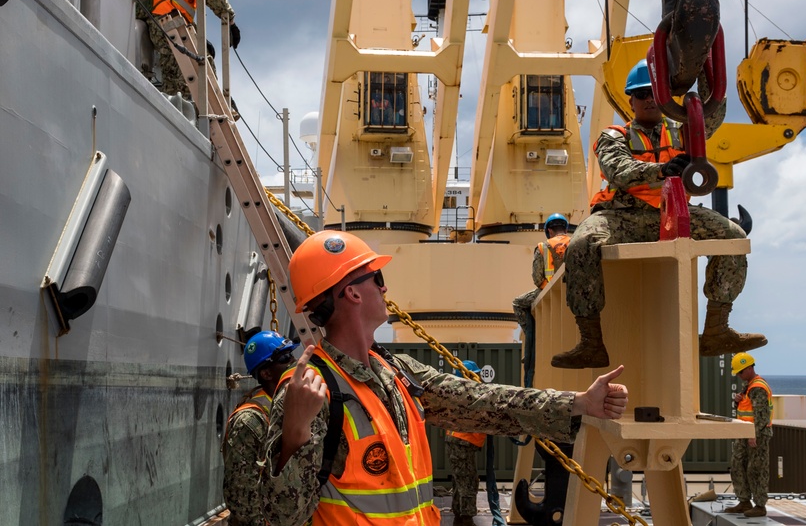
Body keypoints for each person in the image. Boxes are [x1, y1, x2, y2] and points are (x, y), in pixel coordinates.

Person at [261, 230, 629, 526]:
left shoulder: (396, 371)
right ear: (352, 293)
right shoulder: (310, 391)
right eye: (377, 277)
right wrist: (295, 434)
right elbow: (280, 516)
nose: (385, 288)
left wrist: (579, 403)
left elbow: (481, 402)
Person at [555, 59, 767, 369]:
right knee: (581, 245)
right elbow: (619, 171)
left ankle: (716, 331)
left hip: (672, 212)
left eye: (655, 92)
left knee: (732, 237)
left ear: (667, 96)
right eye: (641, 94)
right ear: (631, 100)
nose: (649, 99)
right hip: (621, 216)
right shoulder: (614, 136)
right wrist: (661, 170)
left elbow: (713, 111)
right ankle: (591, 343)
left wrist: (707, 63)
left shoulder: (685, 131)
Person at [222, 331, 298, 526]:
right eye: (284, 357)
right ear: (266, 373)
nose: (294, 361)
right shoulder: (249, 421)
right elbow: (242, 498)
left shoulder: (289, 406)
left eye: (292, 354)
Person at [513, 213, 570, 385]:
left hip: (550, 291)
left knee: (518, 302)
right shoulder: (575, 242)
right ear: (565, 229)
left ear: (549, 231)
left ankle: (530, 332)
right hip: (575, 291)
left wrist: (548, 289)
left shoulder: (543, 246)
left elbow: (538, 279)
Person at [723, 351, 773, 518]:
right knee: (737, 464)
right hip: (745, 433)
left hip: (756, 434)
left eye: (740, 372)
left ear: (749, 368)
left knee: (756, 469)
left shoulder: (758, 387)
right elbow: (747, 409)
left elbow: (761, 416)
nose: (739, 375)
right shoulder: (749, 386)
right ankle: (744, 501)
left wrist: (754, 435)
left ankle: (760, 505)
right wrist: (737, 400)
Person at [444, 360, 486, 526]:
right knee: (468, 481)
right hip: (463, 441)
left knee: (459, 480)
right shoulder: (470, 393)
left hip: (457, 440)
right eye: (476, 373)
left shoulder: (455, 392)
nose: (479, 377)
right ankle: (466, 519)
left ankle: (458, 516)